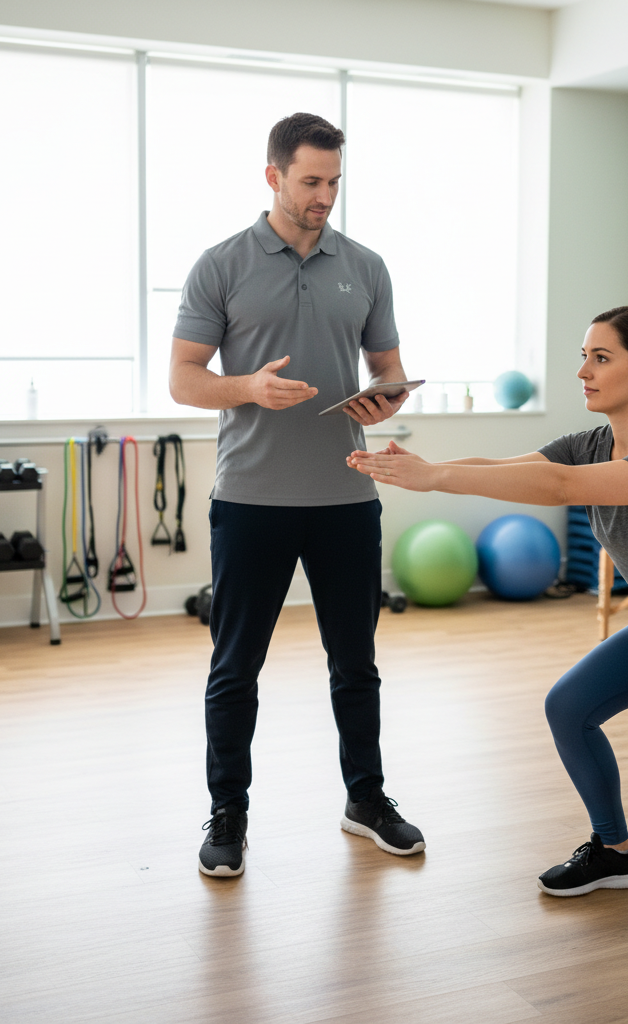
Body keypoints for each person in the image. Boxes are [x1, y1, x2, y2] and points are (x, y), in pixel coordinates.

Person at [347, 306, 628, 977]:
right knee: (569, 705)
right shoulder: (592, 442)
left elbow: (560, 488)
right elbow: (515, 464)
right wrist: (432, 466)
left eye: (601, 357)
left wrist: (439, 478)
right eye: (584, 355)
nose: (582, 370)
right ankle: (615, 852)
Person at [169, 112, 425, 879]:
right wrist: (248, 387)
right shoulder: (221, 264)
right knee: (235, 667)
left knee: (356, 663)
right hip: (250, 500)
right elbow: (184, 380)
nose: (324, 196)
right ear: (273, 175)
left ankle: (367, 799)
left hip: (346, 498)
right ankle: (228, 814)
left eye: (334, 182)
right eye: (311, 181)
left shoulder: (367, 265)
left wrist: (387, 400)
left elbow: (388, 369)